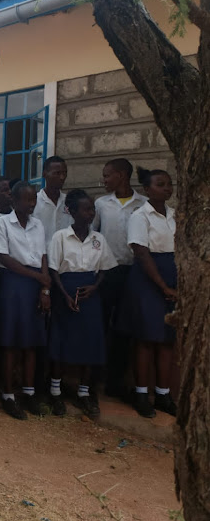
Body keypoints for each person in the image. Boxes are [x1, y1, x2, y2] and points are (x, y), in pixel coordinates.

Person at [48, 190, 117, 417]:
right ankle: (55, 391)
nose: (90, 213)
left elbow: (106, 268)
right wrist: (65, 296)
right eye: (86, 209)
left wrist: (95, 286)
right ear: (72, 211)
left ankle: (84, 392)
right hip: (65, 292)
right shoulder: (60, 237)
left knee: (91, 341)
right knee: (62, 341)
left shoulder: (99, 239)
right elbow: (53, 270)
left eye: (92, 210)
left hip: (90, 293)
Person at [121, 168, 177, 418]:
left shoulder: (175, 216)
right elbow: (141, 252)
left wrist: (175, 285)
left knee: (166, 339)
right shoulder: (140, 216)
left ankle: (163, 394)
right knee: (145, 339)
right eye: (160, 184)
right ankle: (142, 393)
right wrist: (163, 286)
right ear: (147, 189)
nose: (167, 188)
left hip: (172, 278)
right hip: (148, 280)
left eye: (169, 184)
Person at [0, 181, 50, 420]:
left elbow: (43, 256)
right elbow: (3, 256)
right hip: (13, 283)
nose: (30, 204)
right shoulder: (2, 223)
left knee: (31, 342)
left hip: (35, 284)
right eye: (26, 200)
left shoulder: (38, 225)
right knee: (11, 342)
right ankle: (8, 394)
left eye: (33, 200)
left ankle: (28, 392)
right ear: (14, 201)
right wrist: (37, 277)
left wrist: (45, 287)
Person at [92, 158, 147, 398]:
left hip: (133, 272)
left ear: (122, 175)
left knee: (124, 328)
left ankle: (116, 381)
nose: (104, 180)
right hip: (106, 272)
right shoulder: (101, 204)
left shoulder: (142, 204)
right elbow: (93, 235)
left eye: (107, 175)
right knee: (100, 324)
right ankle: (92, 380)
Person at [33, 156, 73, 246]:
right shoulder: (34, 202)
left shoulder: (70, 202)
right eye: (57, 173)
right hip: (40, 256)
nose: (62, 177)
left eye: (64, 173)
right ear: (44, 174)